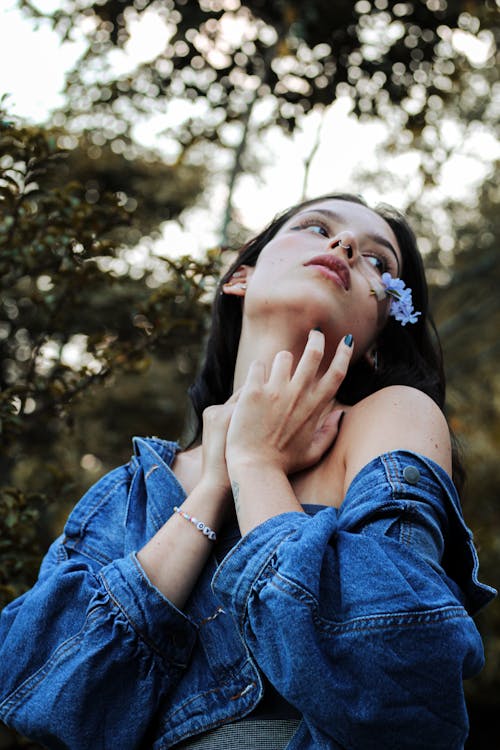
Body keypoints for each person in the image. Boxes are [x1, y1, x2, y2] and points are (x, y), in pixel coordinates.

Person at [0, 193, 496, 750]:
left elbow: (398, 683)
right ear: (240, 277)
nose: (347, 246)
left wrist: (258, 465)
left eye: (381, 264)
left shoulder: (390, 418)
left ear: (378, 340)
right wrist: (215, 484)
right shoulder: (129, 490)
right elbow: (44, 696)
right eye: (315, 227)